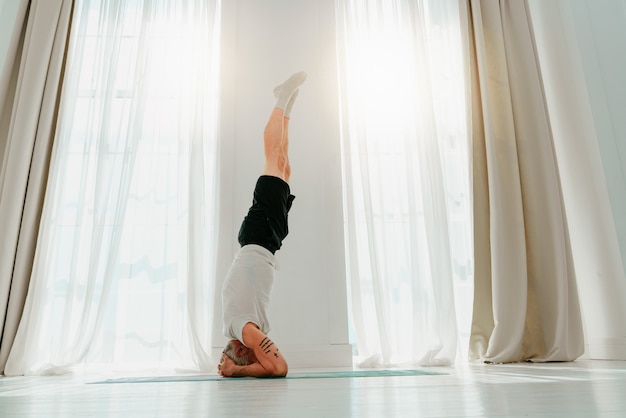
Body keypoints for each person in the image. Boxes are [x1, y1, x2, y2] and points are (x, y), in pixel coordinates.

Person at [218, 71, 307, 378]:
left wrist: (237, 372)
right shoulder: (248, 325)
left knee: (274, 158)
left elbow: (278, 369)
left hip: (259, 237)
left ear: (243, 350)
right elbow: (273, 364)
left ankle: (281, 97)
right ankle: (288, 105)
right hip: (266, 240)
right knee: (283, 164)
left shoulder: (243, 330)